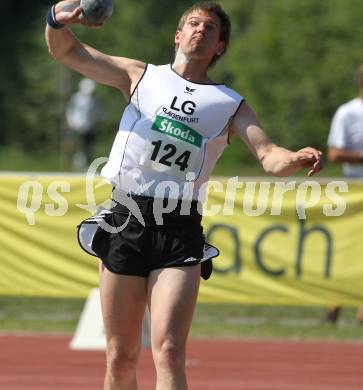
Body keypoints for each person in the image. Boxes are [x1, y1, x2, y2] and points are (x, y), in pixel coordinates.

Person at [45, 1, 323, 389]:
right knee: (120, 357)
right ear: (178, 35)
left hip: (179, 228)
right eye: (193, 23)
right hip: (127, 217)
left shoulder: (230, 104)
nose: (199, 30)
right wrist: (56, 17)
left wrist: (293, 156)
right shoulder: (140, 76)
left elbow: (268, 155)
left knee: (170, 350)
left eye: (210, 28)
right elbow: (67, 51)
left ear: (219, 46)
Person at [325, 64, 363, 325]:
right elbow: (335, 153)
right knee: (350, 250)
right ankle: (335, 303)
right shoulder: (348, 112)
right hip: (357, 188)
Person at [66, 78, 99, 169]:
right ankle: (70, 163)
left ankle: (86, 164)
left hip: (87, 127)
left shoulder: (92, 99)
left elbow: (93, 113)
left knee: (86, 146)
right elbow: (70, 109)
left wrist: (93, 123)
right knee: (73, 144)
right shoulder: (76, 97)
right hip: (75, 125)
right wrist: (70, 121)